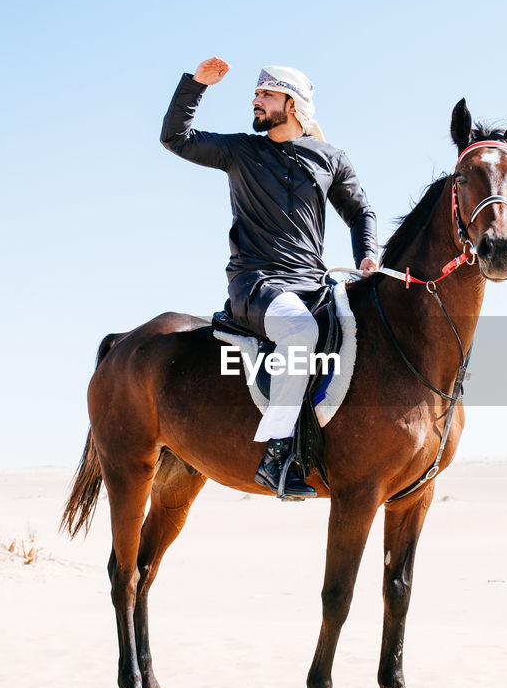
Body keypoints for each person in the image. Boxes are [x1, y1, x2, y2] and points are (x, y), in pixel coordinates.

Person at [160, 57, 380, 498]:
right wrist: (195, 86)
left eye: (264, 95)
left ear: (292, 105)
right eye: (255, 95)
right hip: (256, 285)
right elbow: (175, 138)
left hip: (315, 285)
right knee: (300, 332)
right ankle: (278, 454)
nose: (256, 102)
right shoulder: (240, 150)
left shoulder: (330, 158)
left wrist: (368, 256)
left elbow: (361, 212)